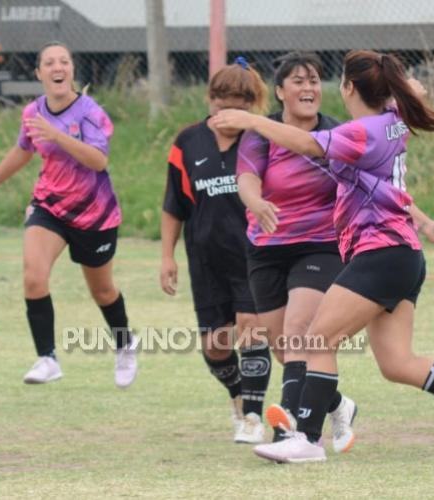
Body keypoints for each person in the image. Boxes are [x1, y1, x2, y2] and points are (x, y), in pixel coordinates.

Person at [210, 50, 434, 463]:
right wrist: (426, 224)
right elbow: (385, 177)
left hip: (380, 253)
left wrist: (248, 119)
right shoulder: (392, 121)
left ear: (349, 88)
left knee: (316, 337)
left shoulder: (360, 132)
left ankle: (307, 438)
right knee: (397, 363)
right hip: (404, 254)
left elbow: (303, 142)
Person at [0, 41, 138, 388]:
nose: (58, 68)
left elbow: (98, 160)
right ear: (39, 72)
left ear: (72, 70)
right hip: (49, 206)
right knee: (33, 278)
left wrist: (57, 135)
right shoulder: (32, 113)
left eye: (65, 62)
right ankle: (48, 358)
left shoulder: (90, 112)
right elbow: (22, 151)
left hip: (94, 215)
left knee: (102, 292)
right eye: (50, 63)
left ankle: (124, 344)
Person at [233, 51, 358, 450]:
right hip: (267, 248)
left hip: (320, 246)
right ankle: (338, 404)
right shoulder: (260, 134)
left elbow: (374, 182)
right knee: (287, 350)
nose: (308, 88)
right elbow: (247, 178)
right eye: (299, 81)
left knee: (299, 331)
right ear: (280, 91)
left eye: (314, 80)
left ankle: (291, 430)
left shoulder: (335, 135)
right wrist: (255, 202)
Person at [160, 58, 272, 443]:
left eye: (240, 101)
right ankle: (239, 397)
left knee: (250, 329)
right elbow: (174, 204)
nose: (228, 108)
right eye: (222, 99)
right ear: (210, 99)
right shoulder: (187, 142)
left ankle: (255, 417)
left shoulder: (263, 139)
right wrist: (166, 257)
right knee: (215, 346)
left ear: (253, 103)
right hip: (205, 259)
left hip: (254, 254)